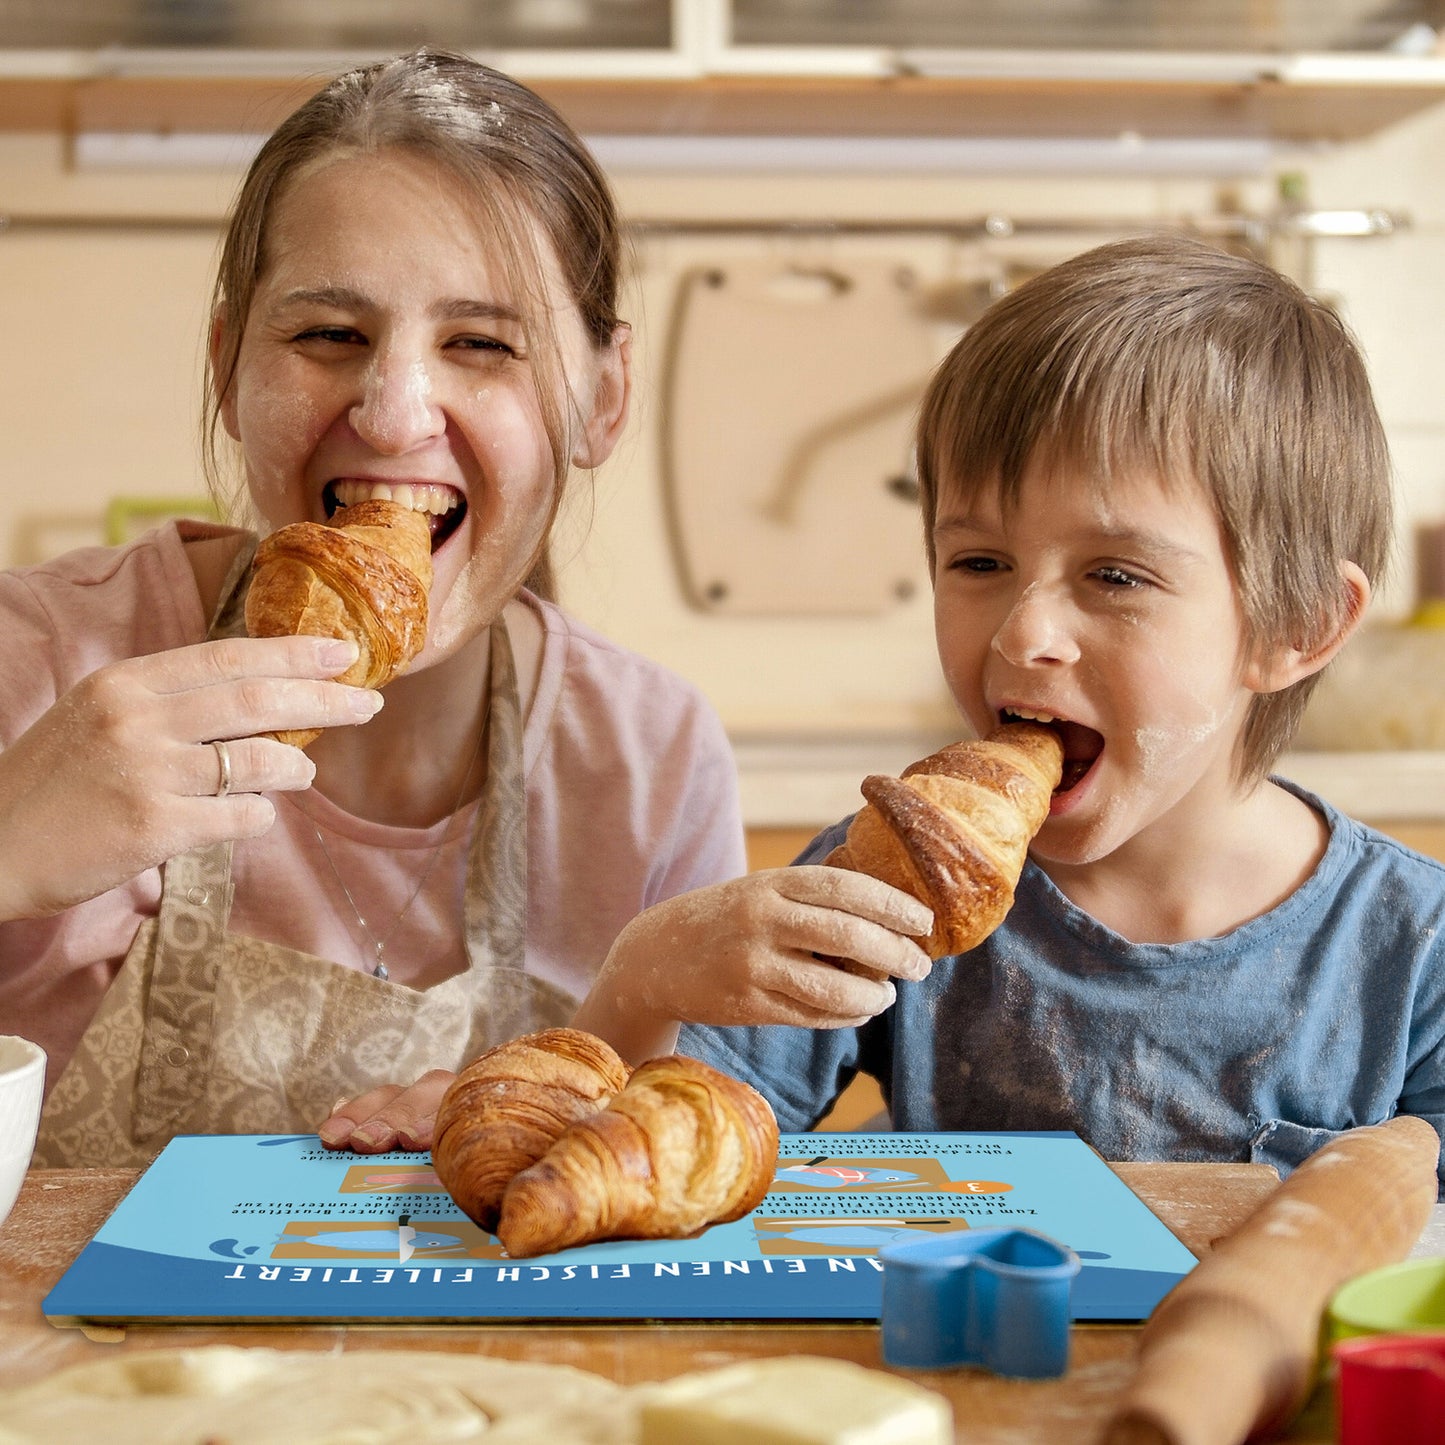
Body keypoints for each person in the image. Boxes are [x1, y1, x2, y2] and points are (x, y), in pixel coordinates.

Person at [4, 48, 746, 1168]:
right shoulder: (42, 663)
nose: (396, 413)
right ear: (226, 368)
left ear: (602, 398)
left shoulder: (647, 760)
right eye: (327, 335)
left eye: (481, 344)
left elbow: (692, 1167)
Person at [578, 233, 1445, 1190]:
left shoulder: (1413, 951)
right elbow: (655, 1154)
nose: (1023, 631)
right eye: (980, 563)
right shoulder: (888, 882)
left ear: (1297, 624)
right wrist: (642, 974)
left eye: (1114, 574)